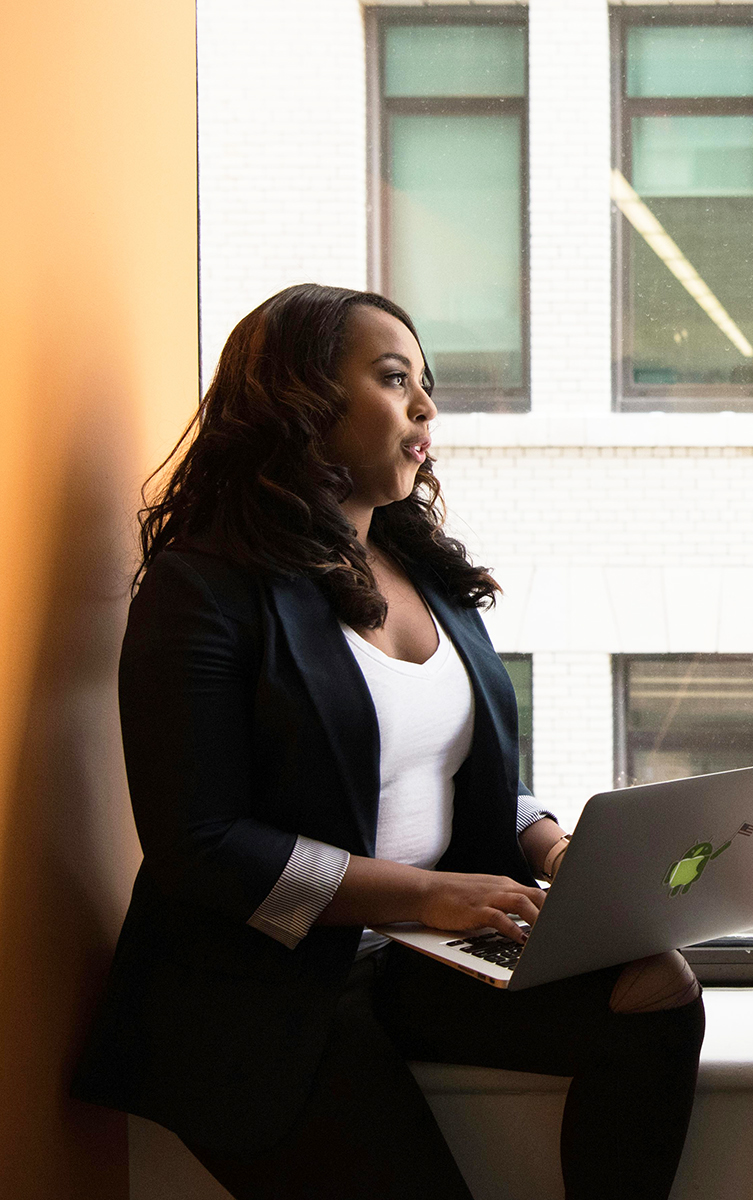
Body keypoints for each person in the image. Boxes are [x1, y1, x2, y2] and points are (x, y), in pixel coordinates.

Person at [72, 284, 704, 1199]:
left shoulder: (424, 572)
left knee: (657, 990)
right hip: (261, 992)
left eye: (427, 384)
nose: (426, 407)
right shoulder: (201, 588)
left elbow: (445, 771)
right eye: (395, 378)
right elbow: (196, 846)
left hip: (410, 955)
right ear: (297, 399)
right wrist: (432, 895)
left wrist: (560, 850)